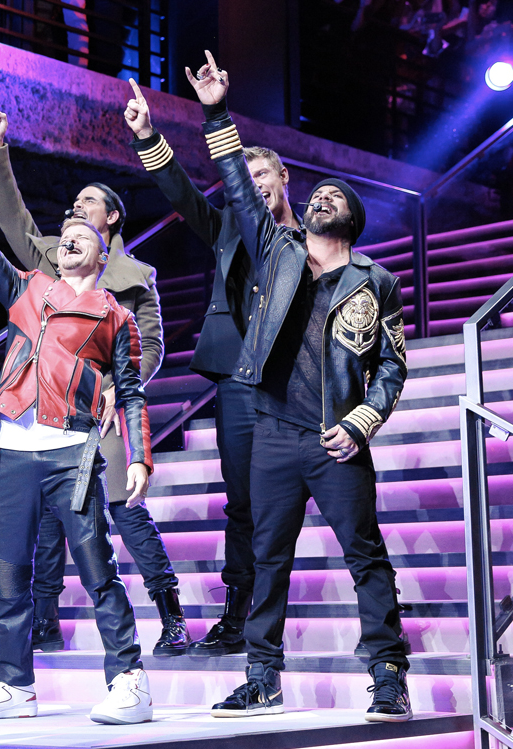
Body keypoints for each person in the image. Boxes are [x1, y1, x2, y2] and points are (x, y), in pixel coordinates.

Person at [184, 52, 412, 722]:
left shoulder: (376, 281)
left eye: (336, 197)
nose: (322, 198)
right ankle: (262, 676)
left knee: (364, 555)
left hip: (336, 435)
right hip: (274, 431)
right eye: (317, 195)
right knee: (268, 557)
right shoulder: (276, 251)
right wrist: (217, 112)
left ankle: (388, 674)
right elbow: (236, 183)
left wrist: (363, 421)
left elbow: (393, 365)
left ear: (353, 220)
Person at [0, 118, 153, 724]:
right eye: (64, 234)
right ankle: (15, 684)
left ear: (103, 251)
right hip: (10, 446)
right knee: (10, 572)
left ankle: (130, 680)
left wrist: (139, 456)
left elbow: (132, 392)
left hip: (72, 451)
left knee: (96, 567)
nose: (69, 238)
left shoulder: (115, 315)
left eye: (81, 234)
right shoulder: (28, 288)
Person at [0, 94, 188, 657]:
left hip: (105, 408)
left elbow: (150, 346)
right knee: (49, 515)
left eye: (88, 202)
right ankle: (44, 622)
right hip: (49, 409)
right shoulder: (51, 260)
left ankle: (170, 616)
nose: (76, 207)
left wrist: (119, 387)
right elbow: (12, 221)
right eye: (73, 203)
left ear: (112, 218)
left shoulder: (135, 276)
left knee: (123, 506)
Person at [123, 78, 300, 657]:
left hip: (295, 381)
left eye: (262, 174)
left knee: (293, 499)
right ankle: (239, 616)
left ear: (284, 178)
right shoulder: (226, 226)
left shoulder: (310, 237)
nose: (253, 184)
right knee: (243, 500)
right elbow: (180, 191)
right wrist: (147, 136)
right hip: (238, 380)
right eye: (244, 177)